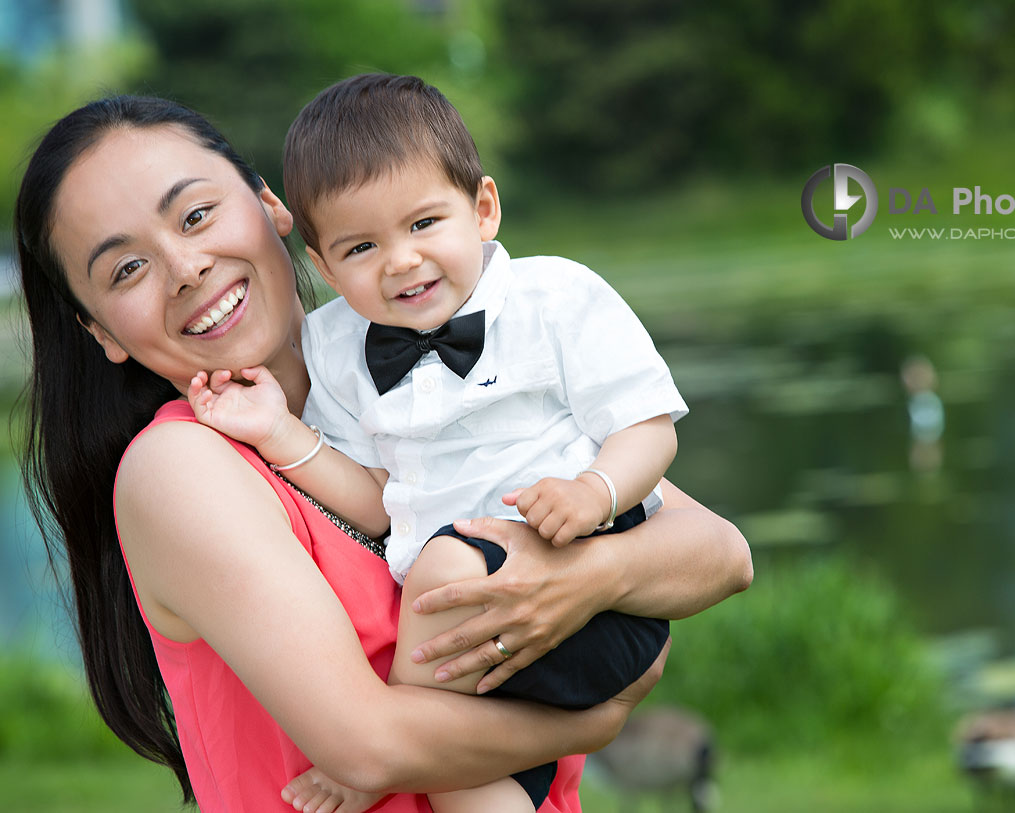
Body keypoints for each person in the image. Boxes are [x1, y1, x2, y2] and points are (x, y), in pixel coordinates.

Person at [13, 94, 753, 812]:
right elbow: (365, 749)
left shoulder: (438, 368)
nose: (184, 266)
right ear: (101, 330)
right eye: (126, 269)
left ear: (272, 206)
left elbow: (719, 552)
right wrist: (595, 718)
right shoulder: (180, 467)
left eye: (197, 214)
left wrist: (587, 577)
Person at [186, 73, 688, 813]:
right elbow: (377, 503)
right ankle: (419, 755)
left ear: (482, 209)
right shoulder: (336, 349)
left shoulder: (555, 299)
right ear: (323, 267)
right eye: (361, 245)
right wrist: (280, 432)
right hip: (469, 643)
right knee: (465, 783)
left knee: (446, 563)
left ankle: (376, 754)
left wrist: (593, 492)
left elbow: (646, 425)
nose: (401, 260)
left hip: (588, 591)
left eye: (424, 224)